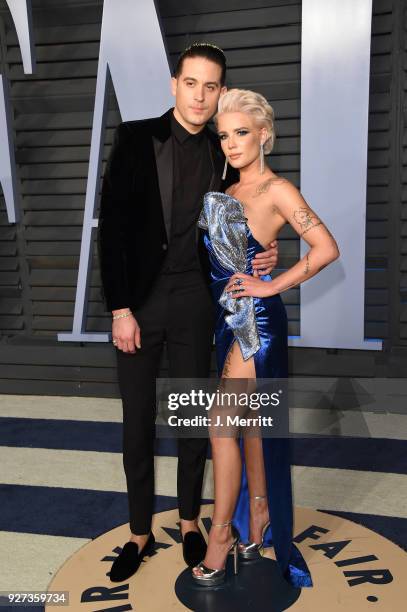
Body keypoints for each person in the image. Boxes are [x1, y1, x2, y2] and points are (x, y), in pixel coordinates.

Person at [97, 44, 279, 582]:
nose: (201, 96)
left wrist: (266, 252)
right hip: (141, 304)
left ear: (221, 92)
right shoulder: (134, 138)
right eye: (191, 83)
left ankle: (191, 521)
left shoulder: (228, 150)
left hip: (200, 305)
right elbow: (113, 229)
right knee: (137, 423)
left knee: (193, 420)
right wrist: (120, 309)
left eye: (211, 86)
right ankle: (138, 532)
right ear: (174, 84)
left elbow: (249, 217)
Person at [192, 88, 340, 587]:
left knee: (220, 426)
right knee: (252, 424)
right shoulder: (227, 192)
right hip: (225, 319)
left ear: (263, 135)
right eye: (224, 135)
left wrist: (272, 283)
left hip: (253, 323)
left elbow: (325, 248)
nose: (231, 144)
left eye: (240, 134)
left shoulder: (278, 189)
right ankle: (258, 518)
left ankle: (220, 537)